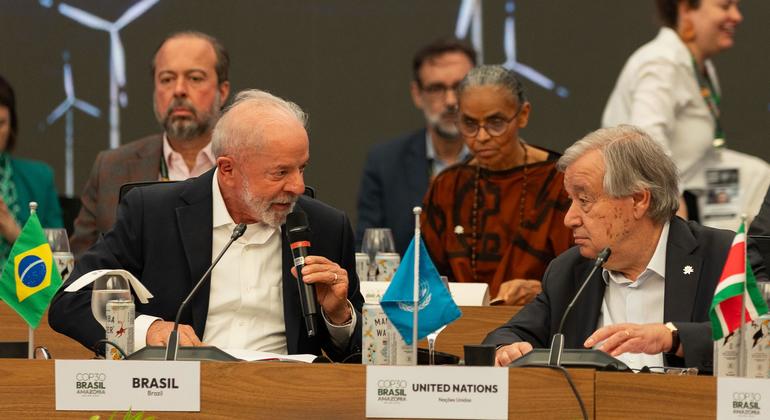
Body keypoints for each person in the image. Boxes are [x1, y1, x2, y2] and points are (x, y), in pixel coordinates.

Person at [49, 89, 363, 361]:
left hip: (285, 394)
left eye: (301, 168)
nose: (298, 186)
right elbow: (71, 302)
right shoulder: (152, 214)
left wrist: (339, 316)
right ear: (227, 169)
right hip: (179, 393)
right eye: (280, 173)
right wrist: (149, 330)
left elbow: (356, 353)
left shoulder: (326, 227)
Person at [485, 125, 767, 373]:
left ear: (638, 200)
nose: (569, 218)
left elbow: (760, 335)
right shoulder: (570, 271)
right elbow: (507, 335)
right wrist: (506, 349)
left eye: (584, 200)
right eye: (570, 200)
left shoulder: (726, 256)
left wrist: (673, 338)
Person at [602, 0, 768, 230]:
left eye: (736, 7)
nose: (737, 16)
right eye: (725, 6)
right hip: (653, 202)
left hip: (695, 186)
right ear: (686, 9)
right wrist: (671, 201)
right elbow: (645, 139)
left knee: (759, 176)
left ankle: (742, 250)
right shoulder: (662, 62)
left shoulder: (699, 65)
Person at [69, 31, 231, 256]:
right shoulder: (111, 167)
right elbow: (81, 262)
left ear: (222, 91)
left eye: (195, 78)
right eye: (167, 79)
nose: (179, 90)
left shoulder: (244, 165)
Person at [421, 65, 572, 306]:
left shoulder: (561, 182)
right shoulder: (448, 187)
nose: (481, 137)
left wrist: (544, 290)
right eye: (469, 124)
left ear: (523, 115)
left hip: (539, 321)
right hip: (460, 323)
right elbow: (423, 278)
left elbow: (588, 275)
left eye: (496, 123)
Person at [356, 37, 476, 255]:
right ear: (417, 94)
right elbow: (369, 251)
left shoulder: (502, 160)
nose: (450, 101)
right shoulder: (385, 163)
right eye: (437, 88)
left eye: (460, 87)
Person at [0, 75, 63, 265]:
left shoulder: (40, 179)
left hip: (25, 283)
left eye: (0, 123)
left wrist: (15, 233)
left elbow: (59, 259)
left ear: (11, 126)